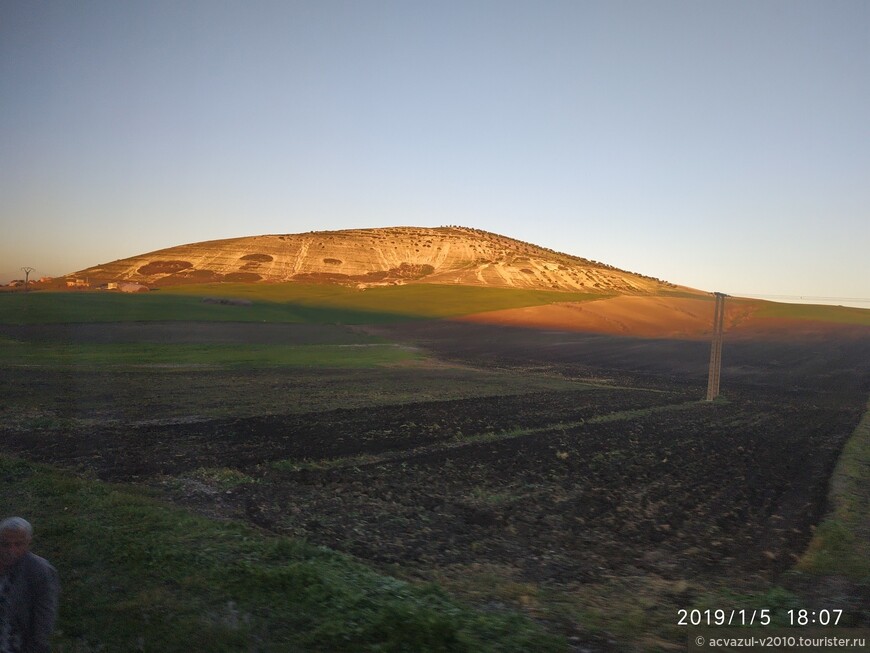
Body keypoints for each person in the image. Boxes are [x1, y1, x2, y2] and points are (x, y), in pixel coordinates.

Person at [0, 517, 59, 653]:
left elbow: (43, 621)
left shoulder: (40, 571)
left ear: (28, 543)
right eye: (5, 544)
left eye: (18, 544)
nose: (11, 550)